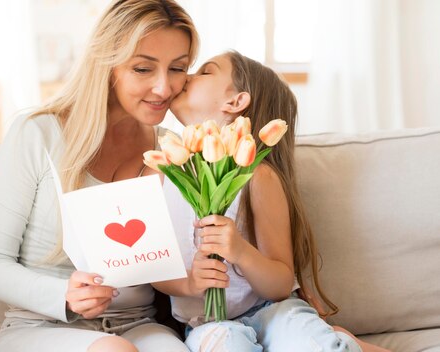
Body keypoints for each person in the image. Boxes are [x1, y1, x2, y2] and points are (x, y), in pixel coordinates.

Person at [0, 1, 199, 351]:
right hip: (39, 327)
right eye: (143, 69)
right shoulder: (37, 134)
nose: (164, 88)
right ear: (107, 64)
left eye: (178, 68)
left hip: (136, 324)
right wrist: (63, 294)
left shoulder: (173, 151)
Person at [151, 51, 389, 351]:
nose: (186, 76)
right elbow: (154, 271)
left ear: (235, 102)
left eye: (205, 72)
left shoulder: (257, 177)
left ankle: (334, 341)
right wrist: (189, 283)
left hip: (272, 313)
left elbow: (278, 284)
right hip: (208, 323)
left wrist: (240, 251)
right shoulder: (162, 171)